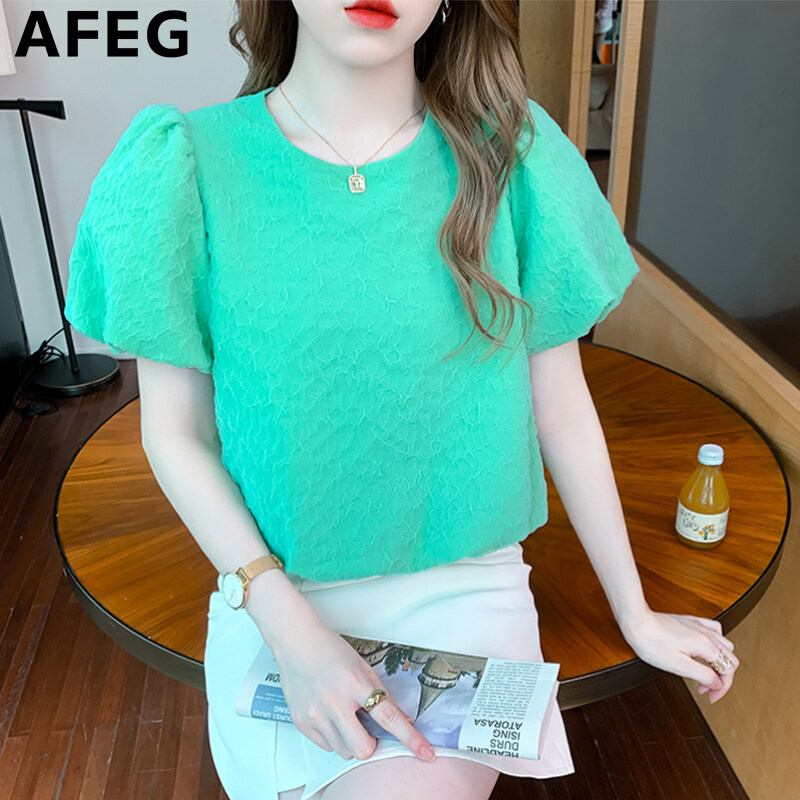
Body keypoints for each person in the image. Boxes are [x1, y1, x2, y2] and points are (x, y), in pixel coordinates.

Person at [63, 1, 739, 798]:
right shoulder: (184, 166)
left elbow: (561, 410)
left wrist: (636, 612)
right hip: (271, 589)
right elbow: (177, 435)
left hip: (462, 590)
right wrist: (290, 630)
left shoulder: (513, 158)